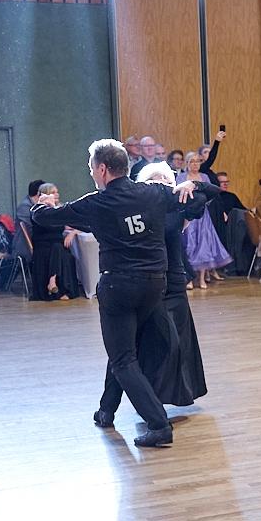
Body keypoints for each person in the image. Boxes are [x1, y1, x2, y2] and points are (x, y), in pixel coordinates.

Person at [30, 138, 204, 447]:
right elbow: (200, 198)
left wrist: (40, 206)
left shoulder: (97, 202)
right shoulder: (153, 193)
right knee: (123, 346)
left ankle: (158, 424)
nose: (91, 173)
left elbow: (43, 219)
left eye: (91, 168)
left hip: (119, 287)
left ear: (102, 169)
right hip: (153, 285)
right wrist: (188, 187)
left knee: (123, 358)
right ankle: (106, 410)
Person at [97, 162, 211, 416]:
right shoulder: (136, 208)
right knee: (126, 348)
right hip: (145, 286)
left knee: (173, 346)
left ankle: (154, 402)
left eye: (165, 179)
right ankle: (109, 407)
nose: (160, 182)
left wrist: (193, 183)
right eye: (153, 179)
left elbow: (211, 192)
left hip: (173, 286)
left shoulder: (180, 205)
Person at [178, 152, 231, 287]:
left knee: (204, 244)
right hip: (187, 214)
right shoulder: (181, 177)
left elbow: (212, 193)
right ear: (187, 163)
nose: (195, 164)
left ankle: (201, 278)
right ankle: (189, 278)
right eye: (192, 161)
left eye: (197, 161)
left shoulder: (205, 177)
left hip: (203, 215)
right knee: (189, 245)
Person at [29, 183, 82, 301]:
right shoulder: (39, 211)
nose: (56, 194)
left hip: (56, 245)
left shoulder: (58, 209)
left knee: (65, 253)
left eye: (56, 192)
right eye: (53, 192)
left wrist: (73, 233)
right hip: (43, 245)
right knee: (57, 248)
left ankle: (57, 285)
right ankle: (54, 285)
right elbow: (52, 228)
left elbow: (74, 224)